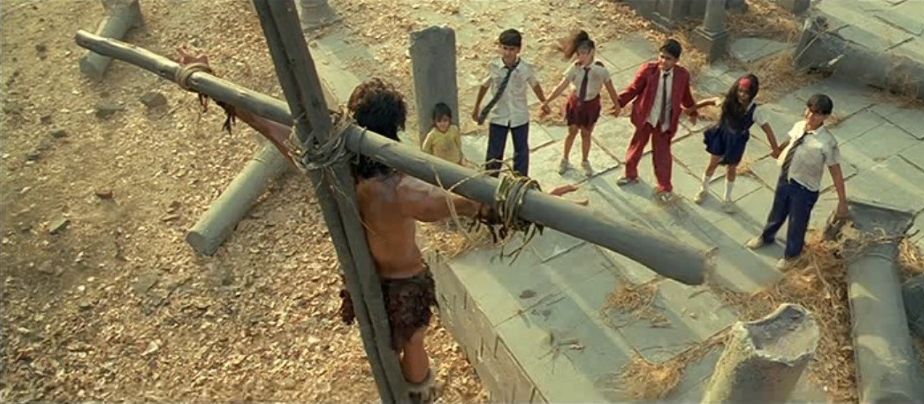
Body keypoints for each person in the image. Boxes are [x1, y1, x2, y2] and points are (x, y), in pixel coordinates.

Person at [174, 48, 583, 398]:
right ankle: (418, 396)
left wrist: (207, 76)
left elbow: (267, 122)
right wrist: (538, 202)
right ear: (395, 130)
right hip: (403, 280)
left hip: (362, 272)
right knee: (413, 341)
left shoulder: (332, 171)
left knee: (387, 340)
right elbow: (471, 202)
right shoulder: (404, 189)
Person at [745, 94, 849, 270]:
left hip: (804, 188)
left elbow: (836, 171)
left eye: (816, 114)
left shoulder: (827, 142)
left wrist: (842, 200)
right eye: (809, 110)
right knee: (777, 212)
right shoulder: (799, 125)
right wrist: (779, 149)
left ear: (825, 116)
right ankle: (766, 236)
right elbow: (791, 140)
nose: (810, 116)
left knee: (797, 222)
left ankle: (792, 255)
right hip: (786, 177)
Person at [615, 39, 698, 203]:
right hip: (646, 117)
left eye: (668, 58)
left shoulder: (682, 75)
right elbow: (634, 89)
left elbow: (686, 95)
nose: (663, 61)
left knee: (662, 155)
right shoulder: (649, 70)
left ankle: (665, 187)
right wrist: (619, 102)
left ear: (676, 60)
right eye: (662, 56)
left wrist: (692, 112)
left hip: (664, 122)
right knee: (636, 147)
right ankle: (630, 174)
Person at [687, 74, 781, 212]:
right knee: (713, 163)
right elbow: (711, 101)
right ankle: (703, 189)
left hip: (737, 141)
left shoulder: (755, 111)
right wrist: (692, 108)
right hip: (721, 136)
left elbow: (768, 130)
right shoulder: (728, 101)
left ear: (752, 93)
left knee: (731, 168)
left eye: (746, 93)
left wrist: (775, 149)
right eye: (740, 91)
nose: (742, 95)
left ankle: (727, 198)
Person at [541, 30, 621, 177]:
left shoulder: (600, 70)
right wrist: (547, 101)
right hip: (576, 102)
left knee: (586, 134)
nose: (581, 57)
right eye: (579, 54)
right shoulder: (575, 68)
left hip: (591, 105)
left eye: (585, 53)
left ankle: (585, 160)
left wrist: (617, 105)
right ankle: (565, 159)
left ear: (592, 52)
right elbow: (562, 85)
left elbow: (610, 88)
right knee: (572, 132)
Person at [472, 28, 550, 177]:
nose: (507, 53)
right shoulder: (494, 66)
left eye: (511, 49)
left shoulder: (525, 69)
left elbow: (535, 85)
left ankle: (520, 182)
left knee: (521, 152)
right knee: (494, 153)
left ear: (518, 50)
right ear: (500, 47)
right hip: (499, 115)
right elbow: (484, 85)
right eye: (505, 48)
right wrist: (476, 108)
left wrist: (544, 102)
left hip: (519, 115)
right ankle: (490, 181)